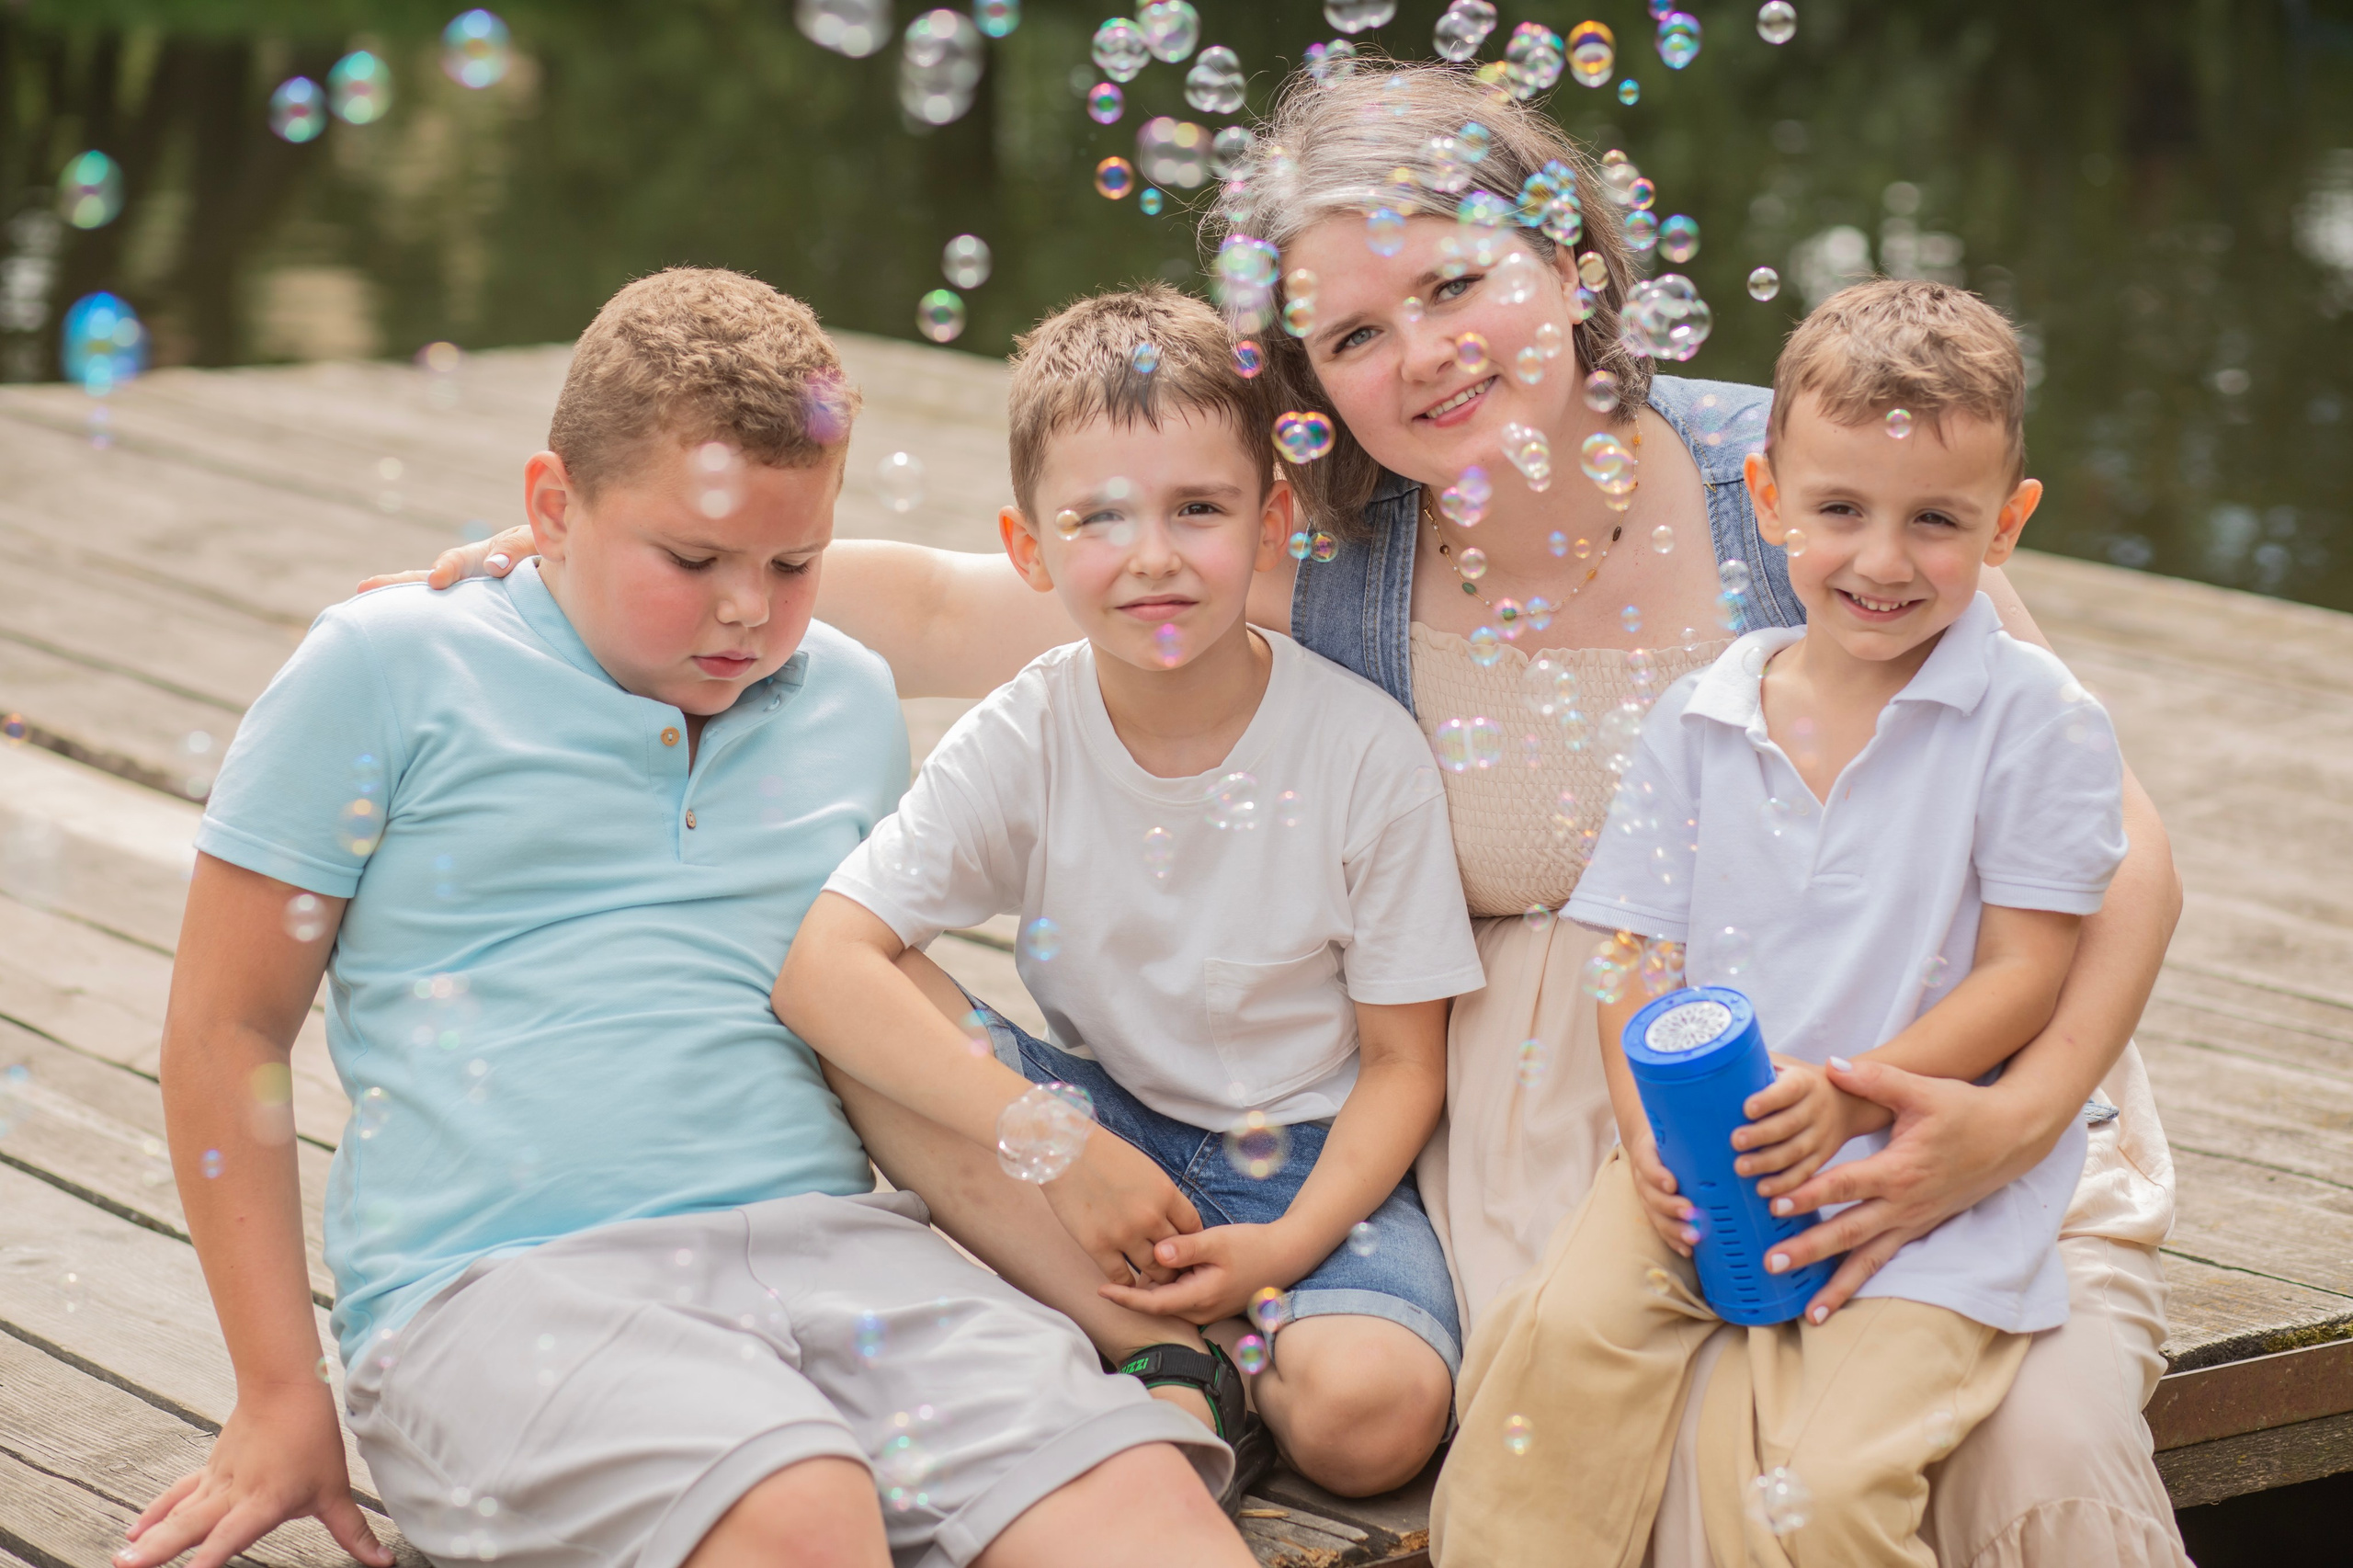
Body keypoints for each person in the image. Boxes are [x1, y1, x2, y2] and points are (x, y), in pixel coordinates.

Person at [377, 64, 2189, 1567]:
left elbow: (2119, 850)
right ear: (1306, 385)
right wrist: (588, 559)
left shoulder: (1795, 494)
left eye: (1456, 281)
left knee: (2034, 1443)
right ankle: (1160, 1349)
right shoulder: (1325, 548)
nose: (1420, 352)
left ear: (1564, 261)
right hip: (1575, 1136)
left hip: (1926, 1071)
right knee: (1689, 1460)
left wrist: (2001, 1113)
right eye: (1350, 332)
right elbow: (946, 603)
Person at [125, 267, 1251, 1568]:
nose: (746, 610)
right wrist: (279, 1393)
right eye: (692, 558)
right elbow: (226, 1026)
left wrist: (1126, 1323)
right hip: (505, 1291)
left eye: (794, 562)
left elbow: (867, 1054)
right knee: (802, 1511)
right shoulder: (387, 664)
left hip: (841, 1262)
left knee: (1147, 1515)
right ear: (552, 506)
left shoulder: (844, 700)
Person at [1436, 278, 2129, 1566]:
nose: (1881, 559)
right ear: (1765, 498)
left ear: (2009, 523)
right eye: (1839, 510)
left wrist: (1860, 1094)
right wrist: (1646, 1137)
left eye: (1937, 520)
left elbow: (2030, 969)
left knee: (1826, 1481)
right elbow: (1634, 952)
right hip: (1703, 1159)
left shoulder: (2037, 719)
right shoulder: (1704, 716)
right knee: (1543, 1375)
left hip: (1918, 1187)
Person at [777, 284, 1481, 1503]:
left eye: (1196, 510)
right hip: (1098, 1126)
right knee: (869, 1012)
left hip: (1309, 1166)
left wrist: (1285, 1242)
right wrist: (1059, 1148)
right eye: (1100, 516)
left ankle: (1174, 1337)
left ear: (1268, 526)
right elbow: (821, 967)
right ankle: (1170, 1349)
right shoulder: (1028, 730)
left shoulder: (1363, 753)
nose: (1152, 555)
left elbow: (1406, 1065)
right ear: (1029, 547)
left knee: (1373, 1420)